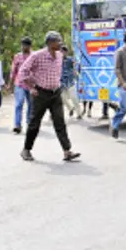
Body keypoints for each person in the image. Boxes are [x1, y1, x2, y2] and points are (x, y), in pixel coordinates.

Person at [18, 31, 81, 162]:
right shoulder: (37, 55)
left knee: (60, 123)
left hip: (55, 92)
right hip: (41, 93)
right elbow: (23, 72)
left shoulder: (59, 55)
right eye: (58, 41)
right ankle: (26, 150)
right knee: (34, 123)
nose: (60, 43)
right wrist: (31, 87)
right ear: (50, 43)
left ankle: (67, 151)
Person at [9, 37, 34, 134]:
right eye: (22, 45)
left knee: (31, 105)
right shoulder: (17, 56)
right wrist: (9, 84)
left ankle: (29, 123)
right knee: (19, 104)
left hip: (31, 84)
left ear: (30, 46)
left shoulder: (34, 56)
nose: (24, 47)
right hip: (19, 83)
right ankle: (17, 125)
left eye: (26, 45)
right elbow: (13, 70)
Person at [60, 45, 81, 120]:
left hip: (70, 81)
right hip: (61, 82)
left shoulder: (70, 59)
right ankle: (70, 108)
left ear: (66, 52)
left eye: (64, 51)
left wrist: (77, 76)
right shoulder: (57, 60)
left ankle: (79, 113)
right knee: (62, 98)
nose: (62, 53)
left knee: (74, 98)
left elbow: (75, 67)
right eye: (61, 51)